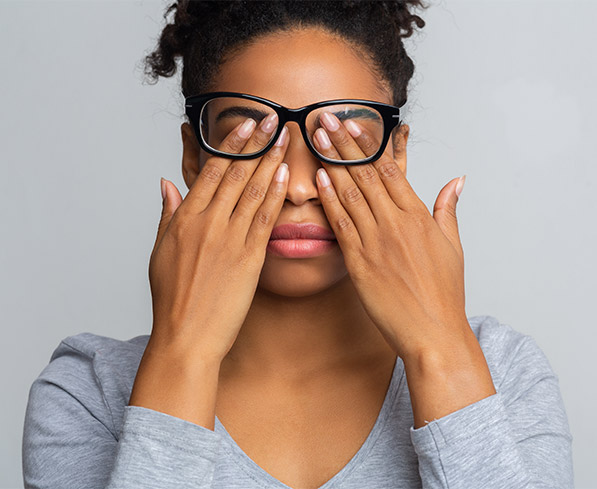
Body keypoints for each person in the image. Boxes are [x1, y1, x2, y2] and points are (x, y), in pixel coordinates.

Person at [22, 1, 574, 488]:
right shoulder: (87, 392)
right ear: (194, 155)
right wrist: (183, 356)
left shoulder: (502, 374)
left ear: (396, 153)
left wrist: (441, 352)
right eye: (251, 139)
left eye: (346, 139)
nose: (300, 186)